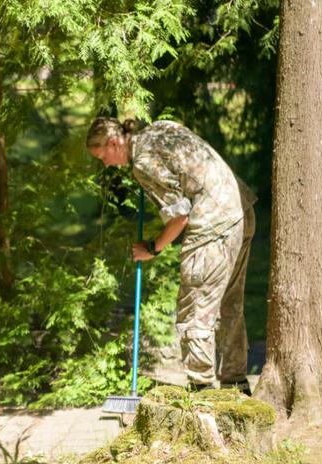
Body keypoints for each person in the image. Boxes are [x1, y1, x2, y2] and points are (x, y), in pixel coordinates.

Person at [86, 118, 256, 392]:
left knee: (196, 307)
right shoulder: (161, 128)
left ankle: (202, 391)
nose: (105, 164)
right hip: (240, 210)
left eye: (102, 156)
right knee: (229, 304)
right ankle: (235, 384)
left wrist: (152, 248)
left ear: (114, 143)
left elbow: (179, 216)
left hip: (213, 224)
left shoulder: (142, 162)